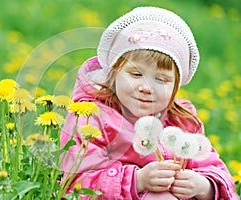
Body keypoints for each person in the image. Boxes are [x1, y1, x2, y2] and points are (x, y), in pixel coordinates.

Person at [60, 6, 239, 199]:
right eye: (136, 74)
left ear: (176, 86)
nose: (146, 87)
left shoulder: (181, 122)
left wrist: (205, 186)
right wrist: (137, 180)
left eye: (161, 79)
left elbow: (216, 169)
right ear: (114, 73)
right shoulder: (92, 118)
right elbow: (75, 183)